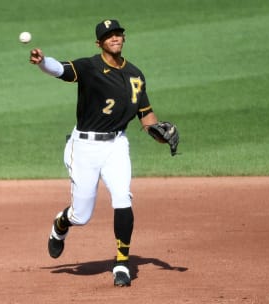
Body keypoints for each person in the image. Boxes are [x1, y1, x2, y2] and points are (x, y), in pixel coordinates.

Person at [29, 19, 178, 287]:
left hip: (116, 146)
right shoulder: (88, 67)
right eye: (109, 35)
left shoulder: (135, 75)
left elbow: (146, 117)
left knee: (123, 198)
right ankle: (62, 223)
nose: (115, 37)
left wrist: (160, 133)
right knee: (81, 216)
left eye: (118, 33)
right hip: (84, 147)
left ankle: (121, 263)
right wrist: (42, 62)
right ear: (99, 43)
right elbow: (61, 69)